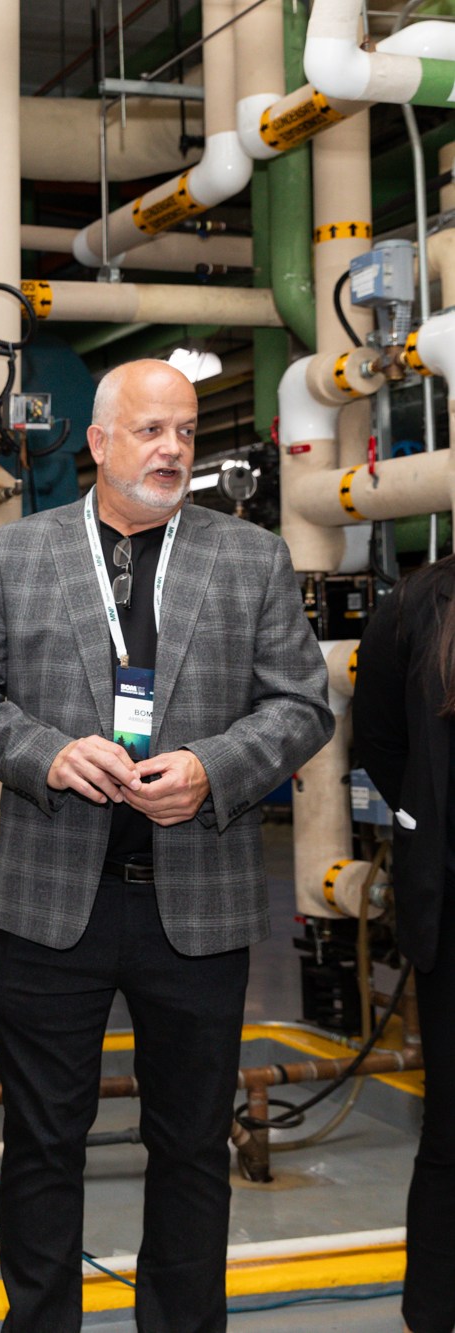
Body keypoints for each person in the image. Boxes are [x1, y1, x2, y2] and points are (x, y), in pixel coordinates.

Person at [0, 358, 333, 1332]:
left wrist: (212, 768)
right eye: (151, 430)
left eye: (186, 433)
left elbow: (301, 705)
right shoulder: (14, 557)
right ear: (98, 442)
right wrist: (48, 754)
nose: (172, 450)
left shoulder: (249, 559)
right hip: (48, 902)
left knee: (192, 1148)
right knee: (40, 1146)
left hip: (196, 902)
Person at [354, 560, 455, 1333]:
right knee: (450, 1130)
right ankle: (434, 1311)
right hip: (450, 914)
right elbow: (380, 742)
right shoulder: (418, 603)